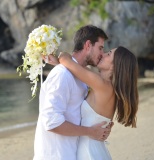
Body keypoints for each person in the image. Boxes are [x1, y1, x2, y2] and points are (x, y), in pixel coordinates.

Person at [33, 25, 112, 160]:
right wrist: (91, 132)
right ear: (88, 45)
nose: (101, 54)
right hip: (55, 155)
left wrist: (102, 124)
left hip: (70, 153)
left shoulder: (80, 78)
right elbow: (51, 122)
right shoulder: (62, 75)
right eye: (100, 48)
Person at [53, 46, 139, 159]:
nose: (102, 54)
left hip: (89, 151)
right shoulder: (105, 85)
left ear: (115, 66)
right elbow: (75, 69)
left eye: (108, 54)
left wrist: (62, 54)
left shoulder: (102, 85)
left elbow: (66, 59)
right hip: (93, 149)